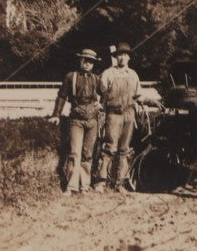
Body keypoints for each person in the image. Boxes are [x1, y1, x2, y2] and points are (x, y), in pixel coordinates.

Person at [50, 48, 101, 195]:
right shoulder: (71, 77)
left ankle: (85, 186)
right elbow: (62, 96)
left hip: (92, 120)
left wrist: (100, 104)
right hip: (76, 120)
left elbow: (105, 94)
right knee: (74, 153)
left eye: (90, 62)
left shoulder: (96, 79)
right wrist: (56, 115)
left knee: (87, 154)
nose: (87, 64)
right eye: (85, 60)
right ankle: (72, 187)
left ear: (93, 64)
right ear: (80, 60)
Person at [96, 42, 141, 192]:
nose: (122, 58)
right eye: (120, 55)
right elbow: (101, 91)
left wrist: (142, 103)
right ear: (116, 57)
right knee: (110, 147)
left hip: (129, 114)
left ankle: (120, 183)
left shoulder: (133, 74)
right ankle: (101, 181)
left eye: (125, 55)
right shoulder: (108, 73)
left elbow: (138, 95)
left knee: (124, 149)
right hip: (113, 114)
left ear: (129, 58)